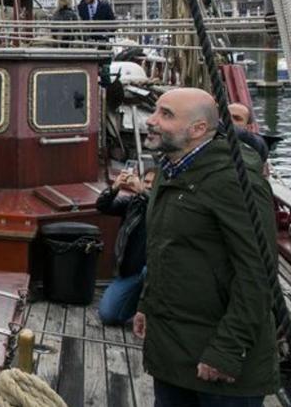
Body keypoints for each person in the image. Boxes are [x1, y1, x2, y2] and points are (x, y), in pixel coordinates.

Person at [135, 88, 278, 405]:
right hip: (173, 350)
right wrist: (147, 302)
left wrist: (228, 348)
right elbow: (165, 247)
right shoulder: (170, 172)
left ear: (198, 129)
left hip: (222, 362)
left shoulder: (234, 182)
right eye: (156, 111)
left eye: (166, 115)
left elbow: (256, 273)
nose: (152, 121)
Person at [95, 167, 152, 325]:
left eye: (153, 183)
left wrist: (142, 190)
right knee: (108, 315)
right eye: (146, 182)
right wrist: (115, 187)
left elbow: (157, 208)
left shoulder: (165, 210)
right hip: (131, 273)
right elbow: (102, 206)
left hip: (154, 275)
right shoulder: (134, 203)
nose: (148, 186)